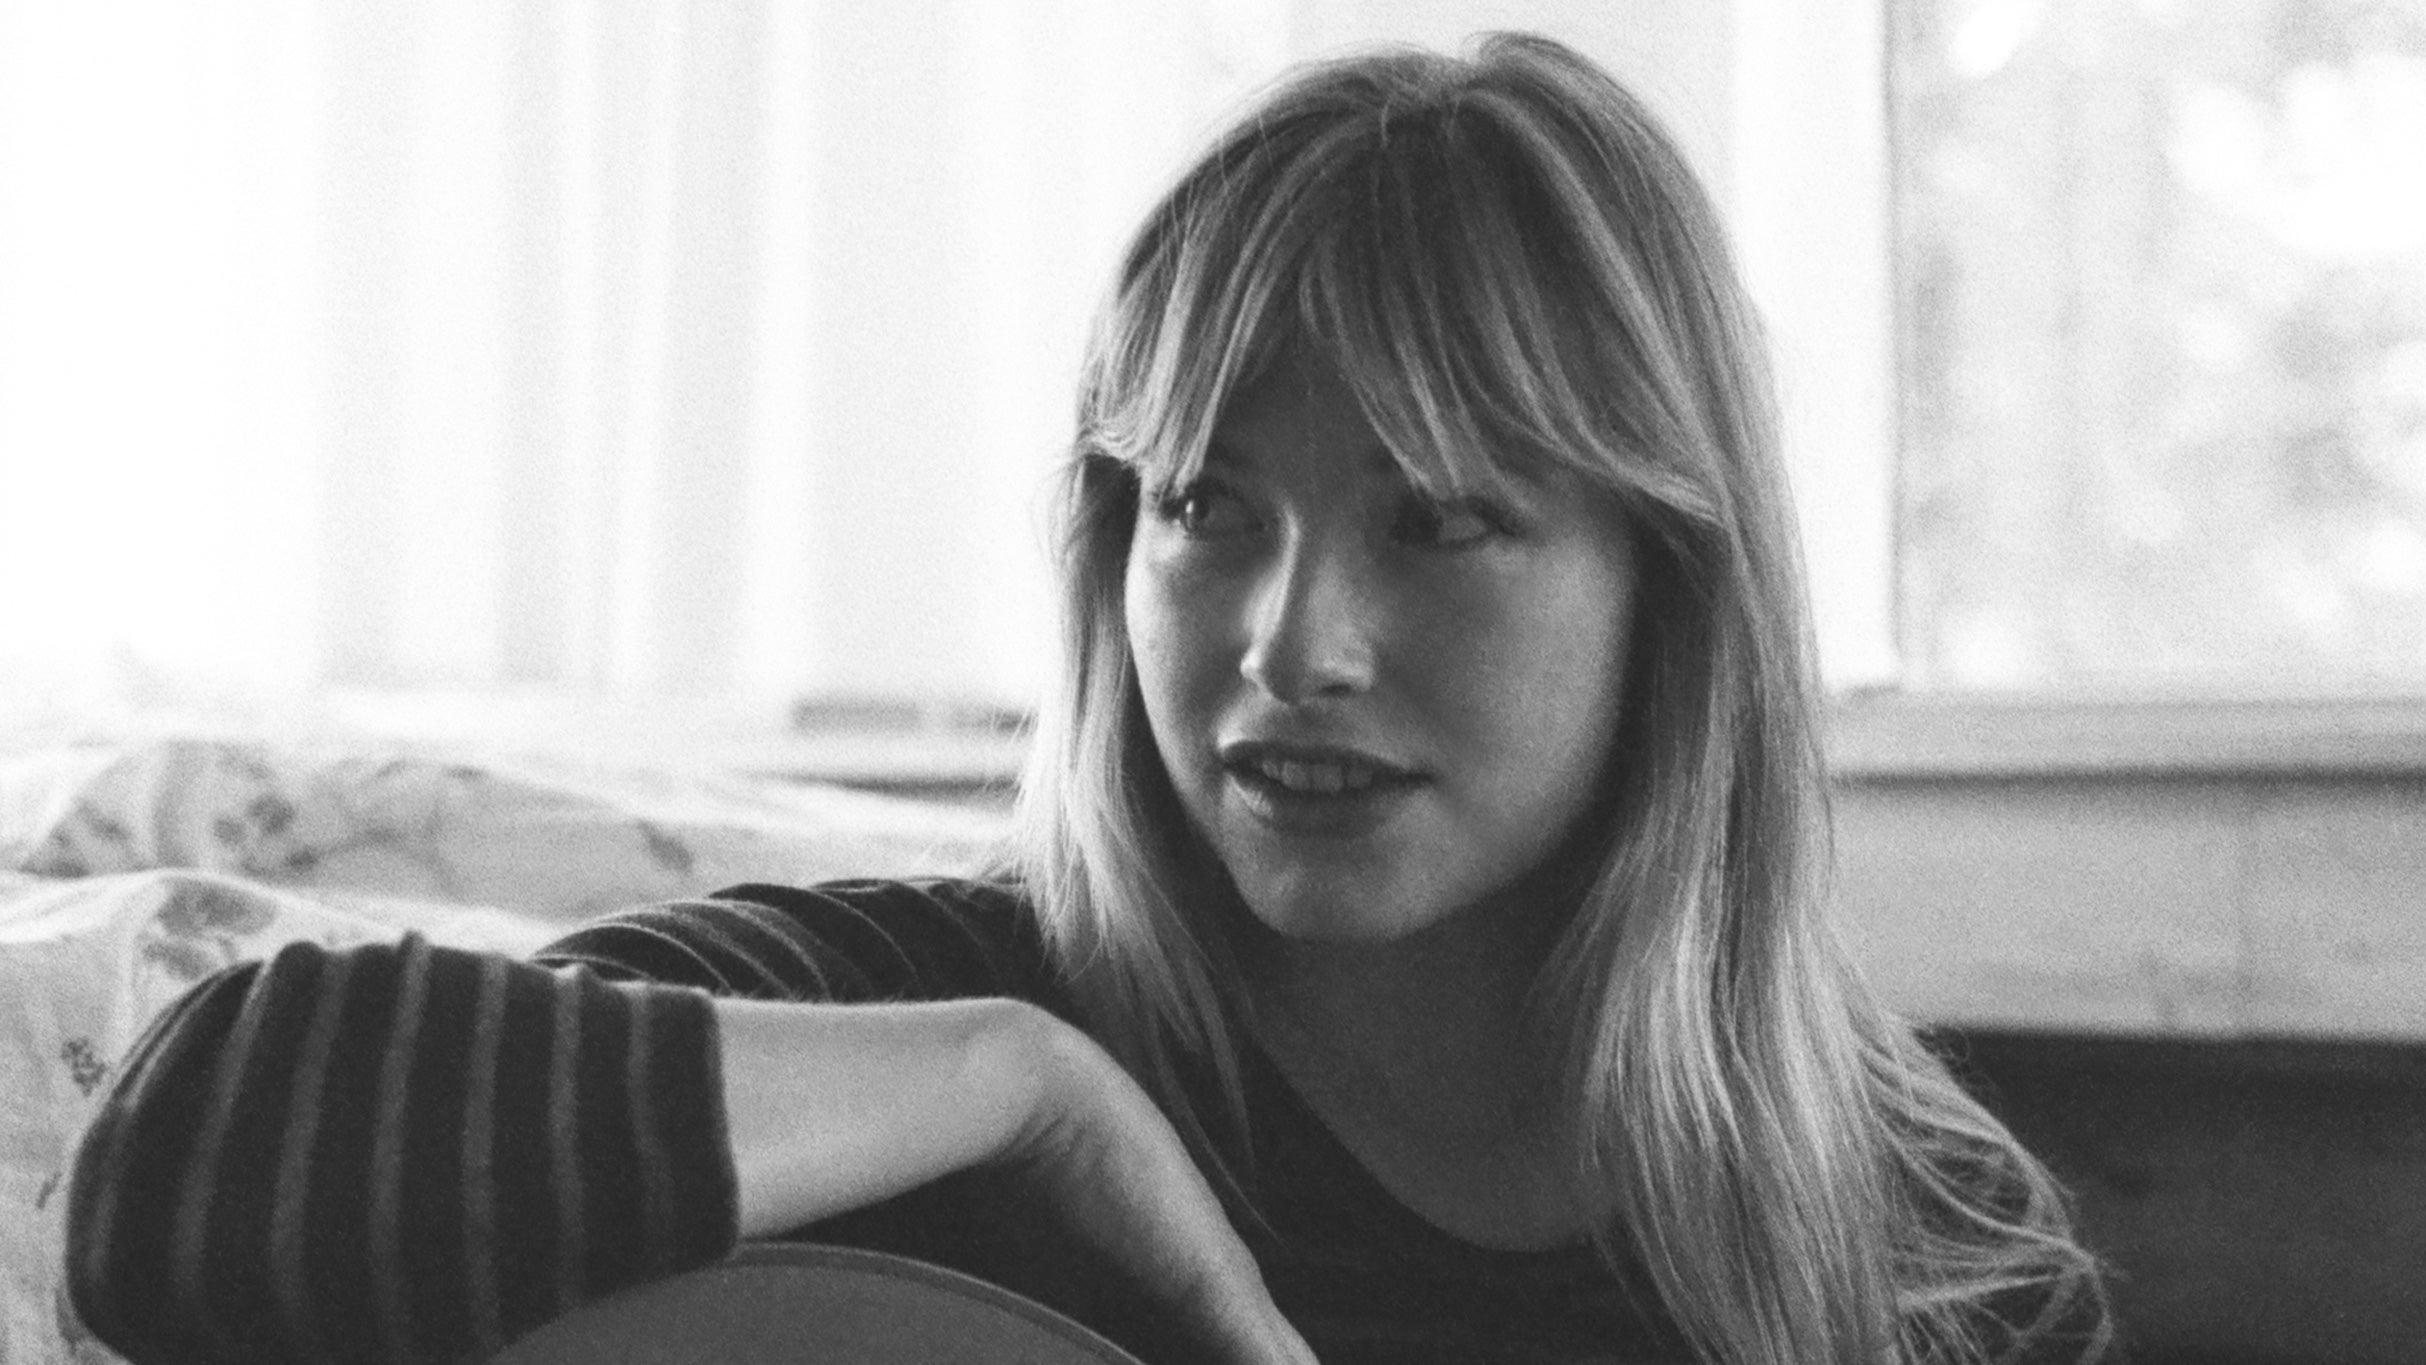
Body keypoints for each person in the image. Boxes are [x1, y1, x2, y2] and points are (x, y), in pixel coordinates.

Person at [63, 32, 2113, 1365]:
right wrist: (1019, 1083)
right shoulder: (908, 1022)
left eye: (1440, 520)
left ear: (1673, 585)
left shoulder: (1925, 1249)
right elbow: (179, 1169)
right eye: (1207, 506)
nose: (1290, 643)